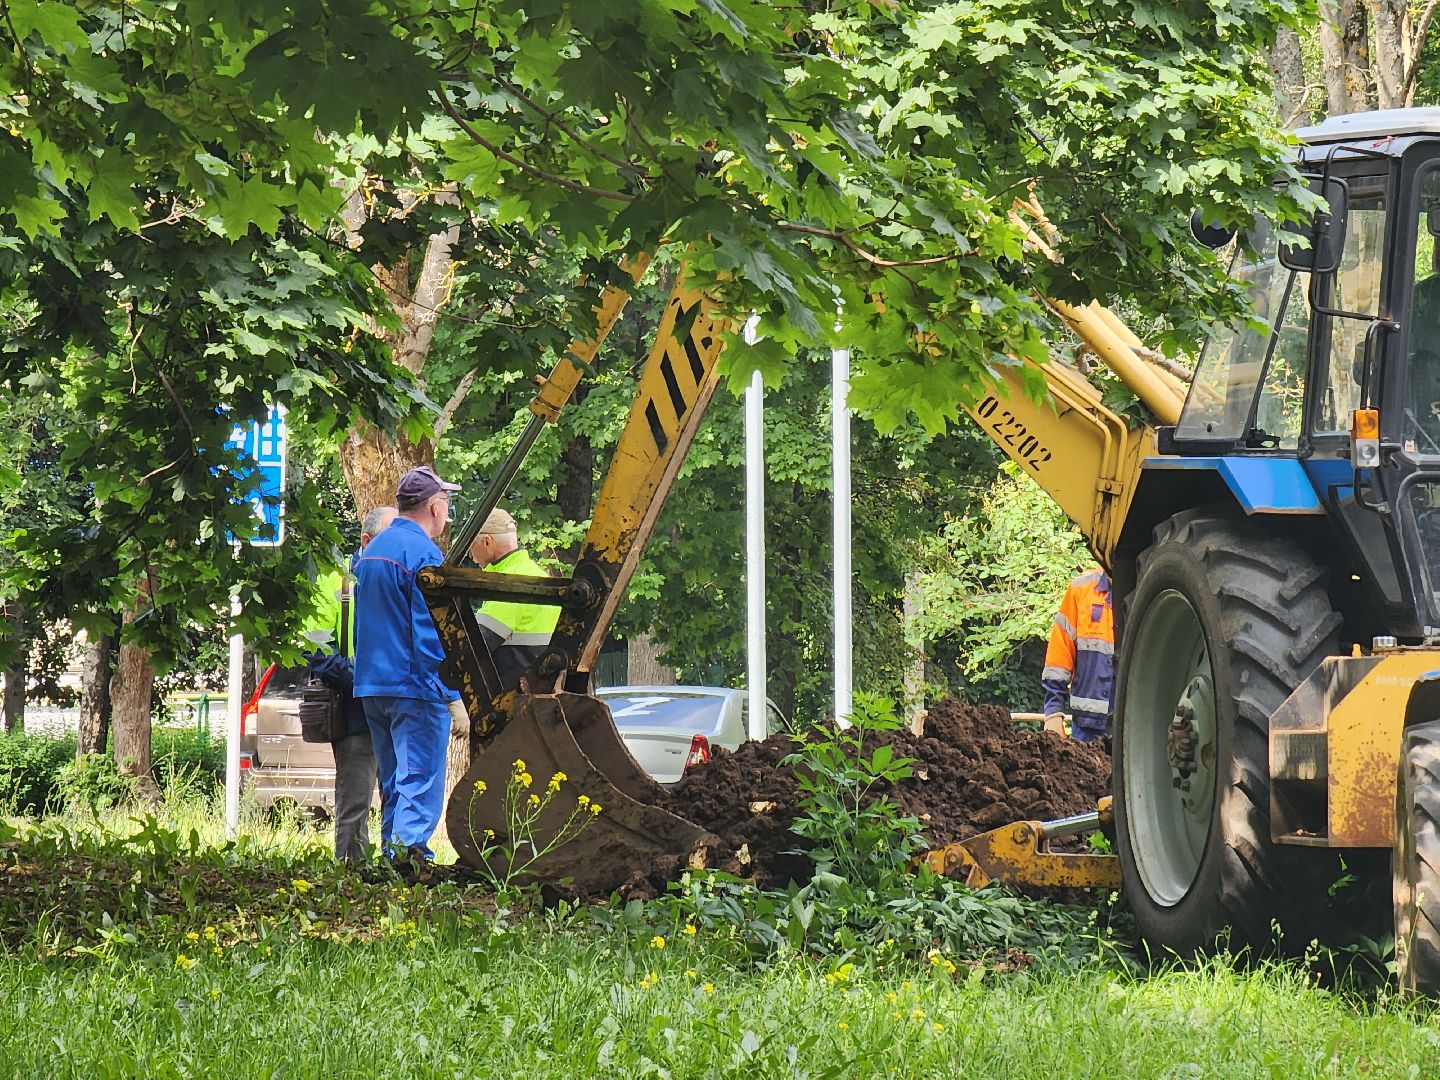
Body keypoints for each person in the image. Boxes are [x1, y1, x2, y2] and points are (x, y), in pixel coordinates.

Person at [353, 465, 462, 864]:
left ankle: (390, 859)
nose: (447, 516)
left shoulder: (373, 551)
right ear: (434, 507)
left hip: (373, 684)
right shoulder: (423, 554)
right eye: (447, 506)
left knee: (394, 780)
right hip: (415, 686)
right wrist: (451, 693)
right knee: (419, 778)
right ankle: (407, 862)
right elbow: (431, 629)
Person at [306, 505, 397, 863]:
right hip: (357, 711)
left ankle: (397, 870)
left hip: (394, 708)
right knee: (356, 801)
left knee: (396, 798)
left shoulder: (399, 579)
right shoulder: (334, 583)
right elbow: (315, 648)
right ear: (365, 541)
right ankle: (350, 876)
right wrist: (363, 678)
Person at [469, 507, 561, 687]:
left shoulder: (509, 584)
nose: (470, 555)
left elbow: (475, 645)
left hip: (513, 698)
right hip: (538, 691)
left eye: (472, 545)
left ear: (487, 542)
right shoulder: (535, 574)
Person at [1041, 568, 1114, 743]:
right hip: (1087, 729)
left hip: (1136, 726)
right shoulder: (1081, 589)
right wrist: (1053, 713)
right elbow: (1059, 659)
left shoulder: (1151, 591)